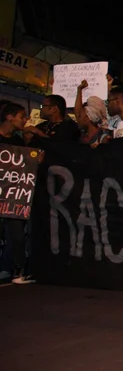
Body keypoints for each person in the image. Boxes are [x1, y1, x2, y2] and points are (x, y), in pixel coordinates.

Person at [0, 102, 34, 284]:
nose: (25, 120)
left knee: (17, 235)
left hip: (13, 197)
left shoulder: (18, 142)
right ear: (9, 117)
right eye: (22, 116)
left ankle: (16, 271)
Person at [74, 80, 111, 146]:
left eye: (80, 116)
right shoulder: (82, 137)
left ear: (87, 118)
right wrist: (79, 90)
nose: (77, 118)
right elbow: (78, 112)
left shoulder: (104, 138)